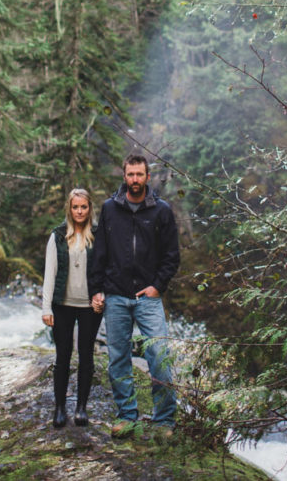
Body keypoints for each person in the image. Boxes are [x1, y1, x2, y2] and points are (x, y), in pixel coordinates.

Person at [89, 154, 180, 438]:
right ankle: (127, 416)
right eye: (130, 175)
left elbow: (172, 255)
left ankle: (164, 420)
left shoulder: (161, 211)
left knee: (159, 355)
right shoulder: (109, 209)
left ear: (147, 177)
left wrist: (157, 285)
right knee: (118, 358)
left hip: (148, 297)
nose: (135, 180)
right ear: (124, 176)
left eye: (140, 175)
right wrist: (96, 289)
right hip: (115, 295)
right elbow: (100, 252)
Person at [41, 188, 105, 428]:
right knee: (63, 356)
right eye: (75, 207)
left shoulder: (98, 235)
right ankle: (59, 408)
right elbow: (50, 274)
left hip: (89, 305)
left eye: (84, 207)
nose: (79, 211)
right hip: (62, 305)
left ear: (90, 209)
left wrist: (102, 296)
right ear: (69, 209)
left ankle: (81, 408)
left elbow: (105, 270)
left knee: (86, 356)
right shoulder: (57, 236)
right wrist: (46, 308)